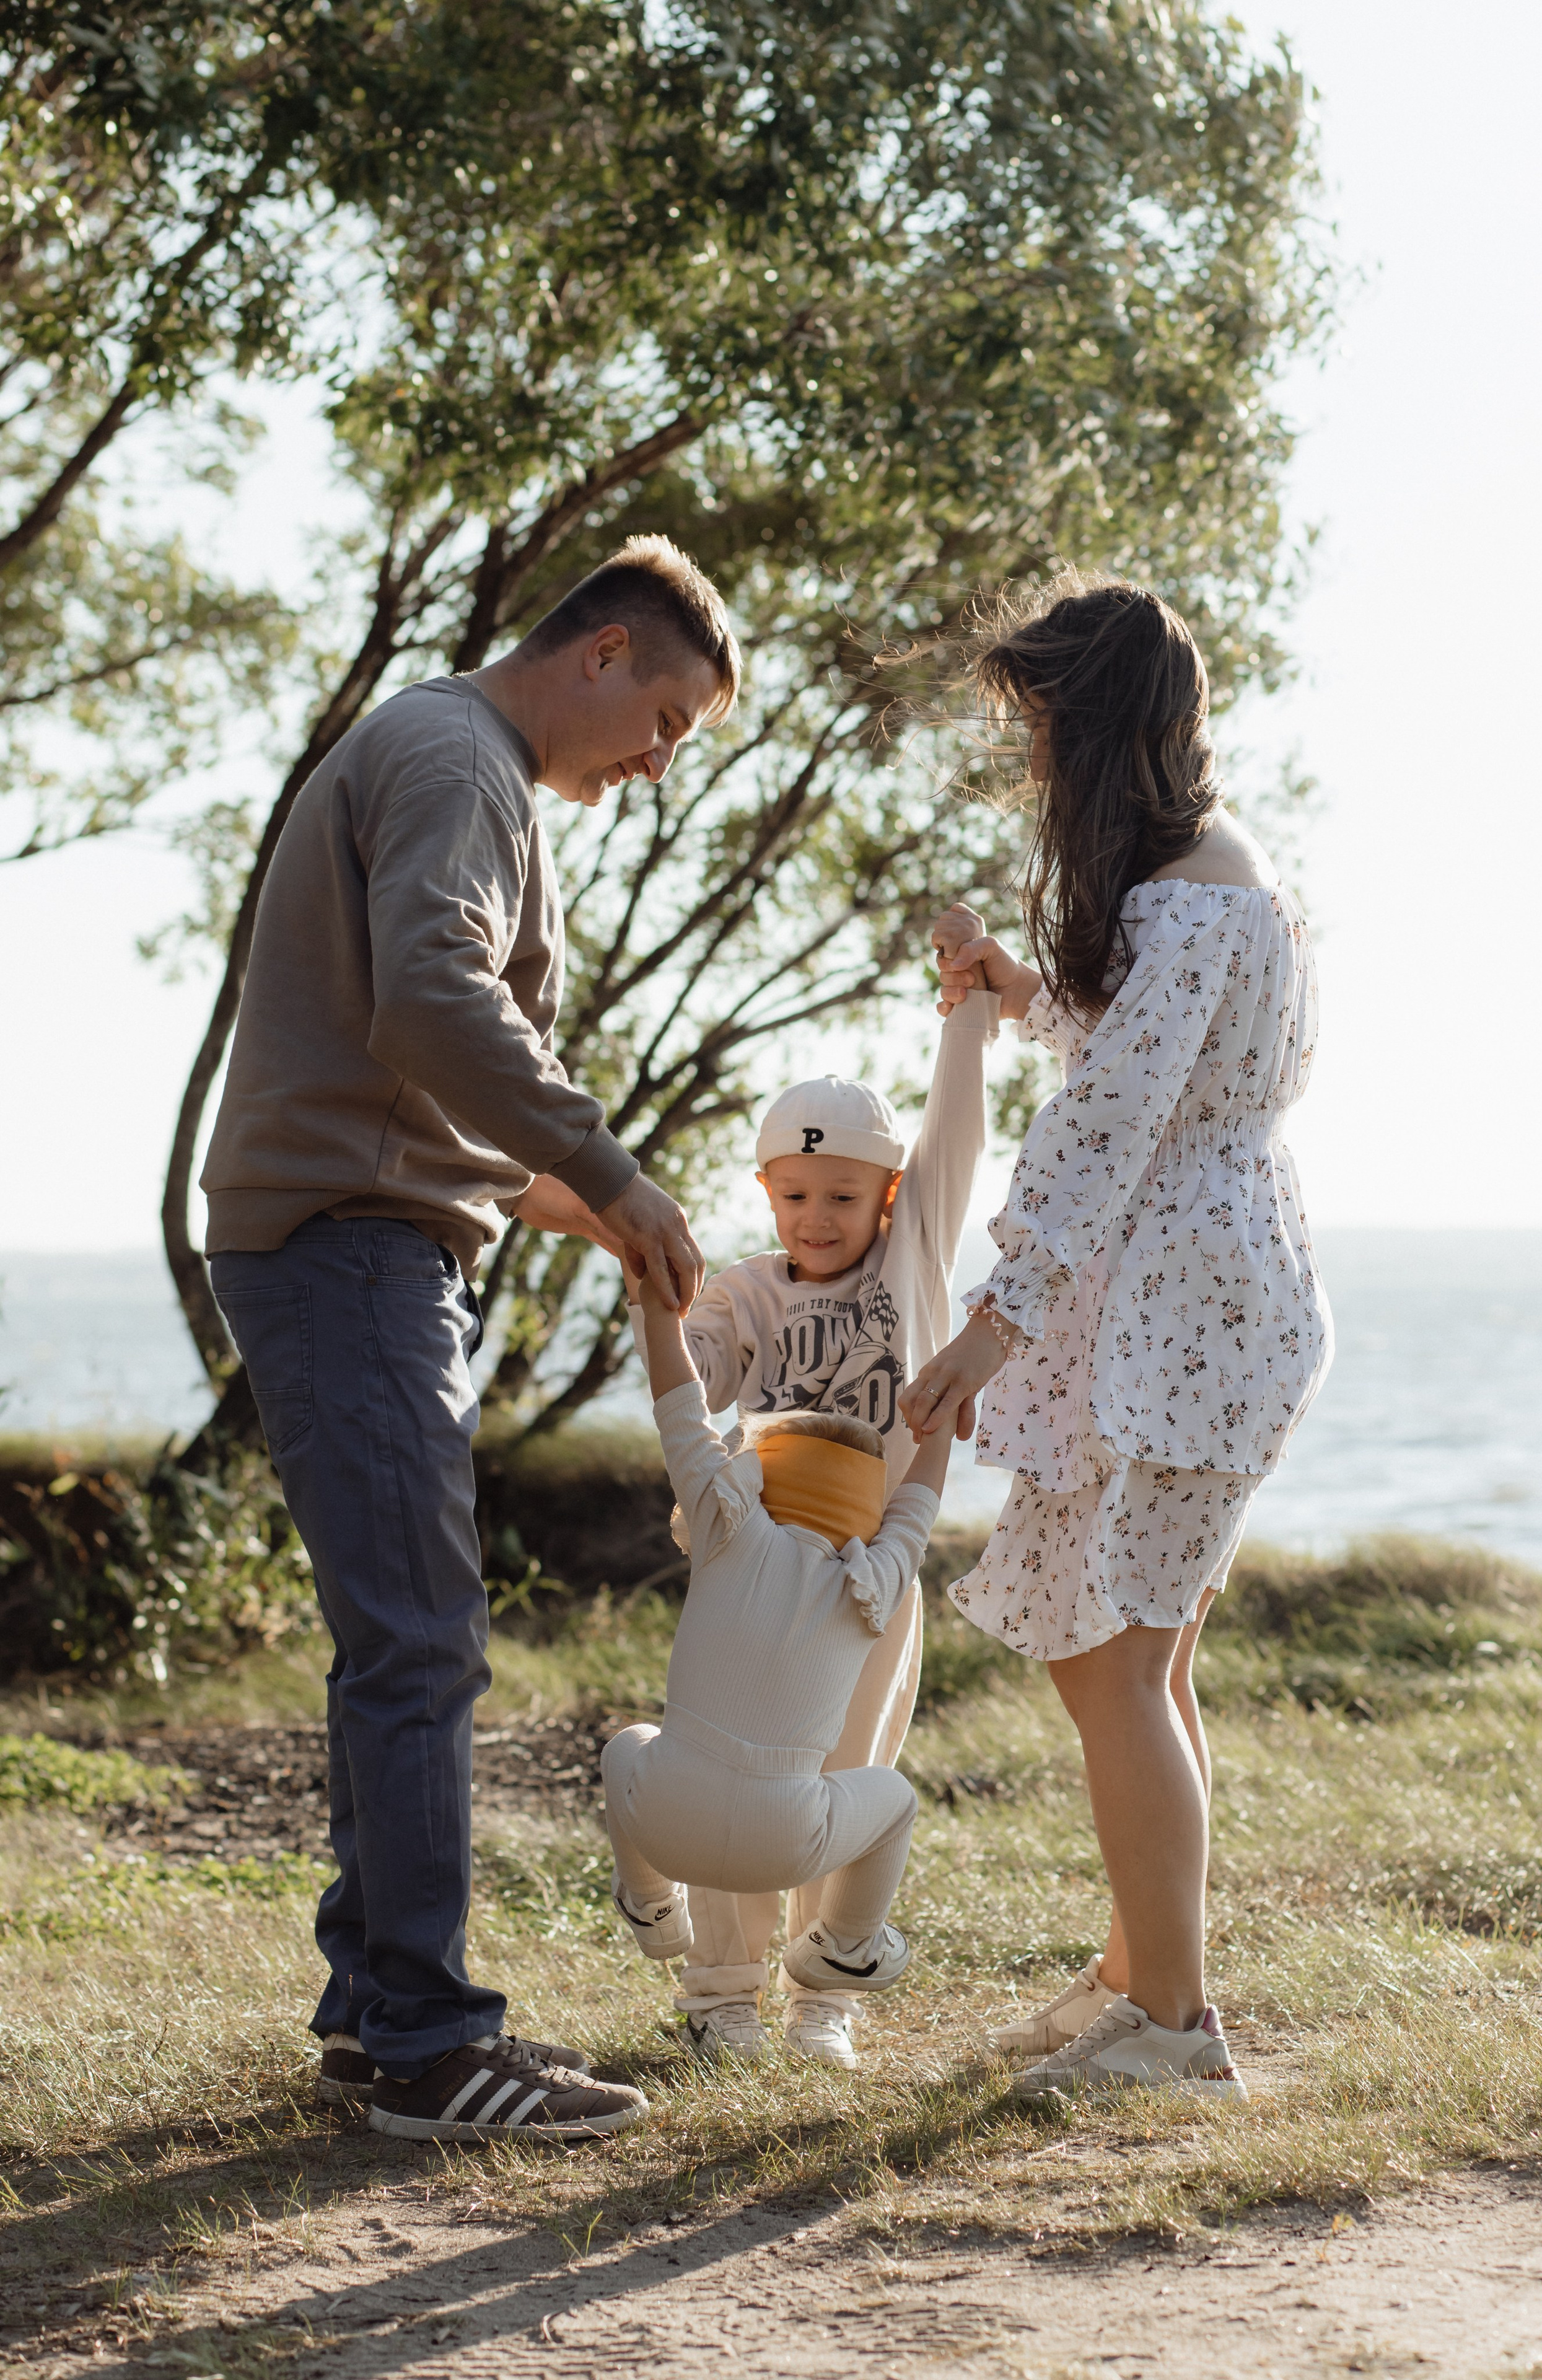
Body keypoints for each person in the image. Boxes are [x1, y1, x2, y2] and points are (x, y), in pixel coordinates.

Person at [202, 535, 737, 2145]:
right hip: (350, 1250)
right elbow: (431, 1001)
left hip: (359, 1232)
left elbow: (404, 1062)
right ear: (602, 654)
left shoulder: (452, 759)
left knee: (398, 1642)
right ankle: (433, 2048)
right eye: (666, 725)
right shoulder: (459, 760)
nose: (654, 768)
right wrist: (607, 1164)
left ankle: (382, 2025)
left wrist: (571, 1202)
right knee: (424, 1642)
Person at [902, 571, 1331, 2105]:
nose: (1027, 763)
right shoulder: (1208, 882)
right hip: (1181, 1299)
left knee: (1126, 1658)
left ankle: (1172, 2025)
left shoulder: (1190, 890)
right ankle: (1133, 1974)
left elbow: (1109, 1121)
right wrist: (1020, 994)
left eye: (1034, 730)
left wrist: (989, 1323)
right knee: (1116, 1658)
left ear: (1092, 731)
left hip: (1181, 1310)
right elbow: (1137, 1053)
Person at [545, 964, 999, 2067]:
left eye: (844, 1195)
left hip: (870, 1573)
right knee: (728, 1749)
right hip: (755, 1569)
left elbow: (957, 1135)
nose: (819, 1216)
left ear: (887, 1196)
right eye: (797, 1195)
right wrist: (669, 1315)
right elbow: (691, 1383)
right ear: (766, 1192)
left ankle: (823, 2005)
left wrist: (972, 1011)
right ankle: (721, 1996)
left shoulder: (916, 1252)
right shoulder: (743, 1288)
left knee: (849, 1760)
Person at [600, 1265, 953, 2013]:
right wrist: (941, 1425)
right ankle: (845, 1946)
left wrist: (657, 1310)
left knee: (625, 1743)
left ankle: (652, 1906)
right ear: (865, 1512)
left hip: (667, 1822)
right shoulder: (874, 1580)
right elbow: (917, 1506)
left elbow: (680, 1408)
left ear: (763, 1477)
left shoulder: (727, 1531)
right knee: (891, 1797)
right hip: (788, 1842)